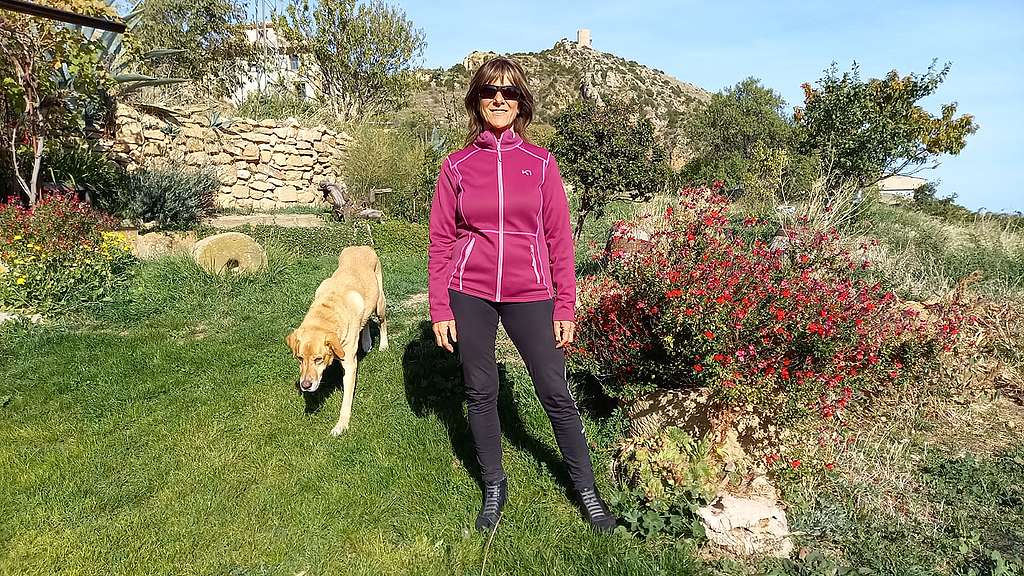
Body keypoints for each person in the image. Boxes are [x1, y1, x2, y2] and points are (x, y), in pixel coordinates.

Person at [427, 57, 616, 533]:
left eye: (509, 93)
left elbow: (559, 238)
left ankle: (586, 490)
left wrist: (566, 303)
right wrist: (440, 305)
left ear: (520, 103)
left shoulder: (541, 164)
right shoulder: (456, 166)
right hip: (469, 290)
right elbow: (441, 240)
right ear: (476, 100)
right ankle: (493, 485)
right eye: (490, 91)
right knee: (480, 389)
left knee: (554, 390)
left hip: (531, 291)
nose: (499, 99)